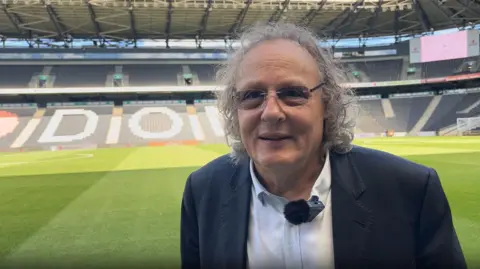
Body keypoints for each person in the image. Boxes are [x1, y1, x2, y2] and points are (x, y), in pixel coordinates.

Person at [180, 22, 466, 269]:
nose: (270, 112)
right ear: (236, 109)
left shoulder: (411, 190)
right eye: (252, 95)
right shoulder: (203, 191)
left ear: (326, 105)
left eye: (293, 93)